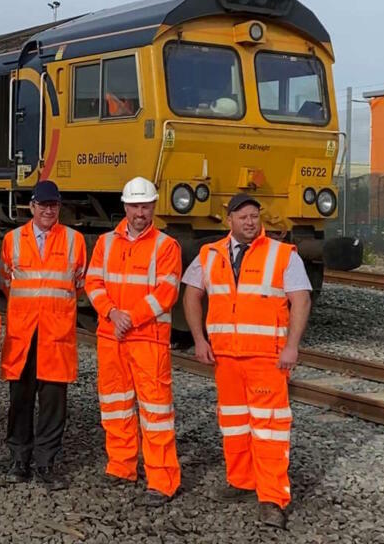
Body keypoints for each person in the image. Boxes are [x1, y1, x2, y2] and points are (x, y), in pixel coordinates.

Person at [182, 193, 312, 530]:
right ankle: (241, 482)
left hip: (267, 357)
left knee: (270, 429)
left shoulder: (283, 255)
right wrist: (199, 339)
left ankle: (272, 498)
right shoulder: (209, 255)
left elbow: (300, 300)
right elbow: (191, 294)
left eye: (254, 216)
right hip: (226, 357)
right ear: (230, 221)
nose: (250, 222)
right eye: (243, 217)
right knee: (235, 424)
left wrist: (292, 346)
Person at [84, 177, 182, 505]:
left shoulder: (166, 246)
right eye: (135, 206)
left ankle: (162, 480)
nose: (140, 212)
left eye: (146, 206)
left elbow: (166, 293)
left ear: (154, 207)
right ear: (125, 207)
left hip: (148, 338)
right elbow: (93, 282)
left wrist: (131, 318)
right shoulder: (105, 242)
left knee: (155, 411)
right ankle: (121, 466)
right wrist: (112, 313)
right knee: (116, 406)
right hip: (112, 335)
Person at [0, 180, 86, 491]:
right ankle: (19, 459)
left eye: (54, 205)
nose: (49, 210)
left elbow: (78, 284)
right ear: (32, 207)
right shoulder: (12, 240)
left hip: (56, 334)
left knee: (53, 403)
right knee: (19, 400)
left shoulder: (75, 241)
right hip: (23, 334)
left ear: (58, 208)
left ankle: (46, 462)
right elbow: (8, 279)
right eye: (43, 205)